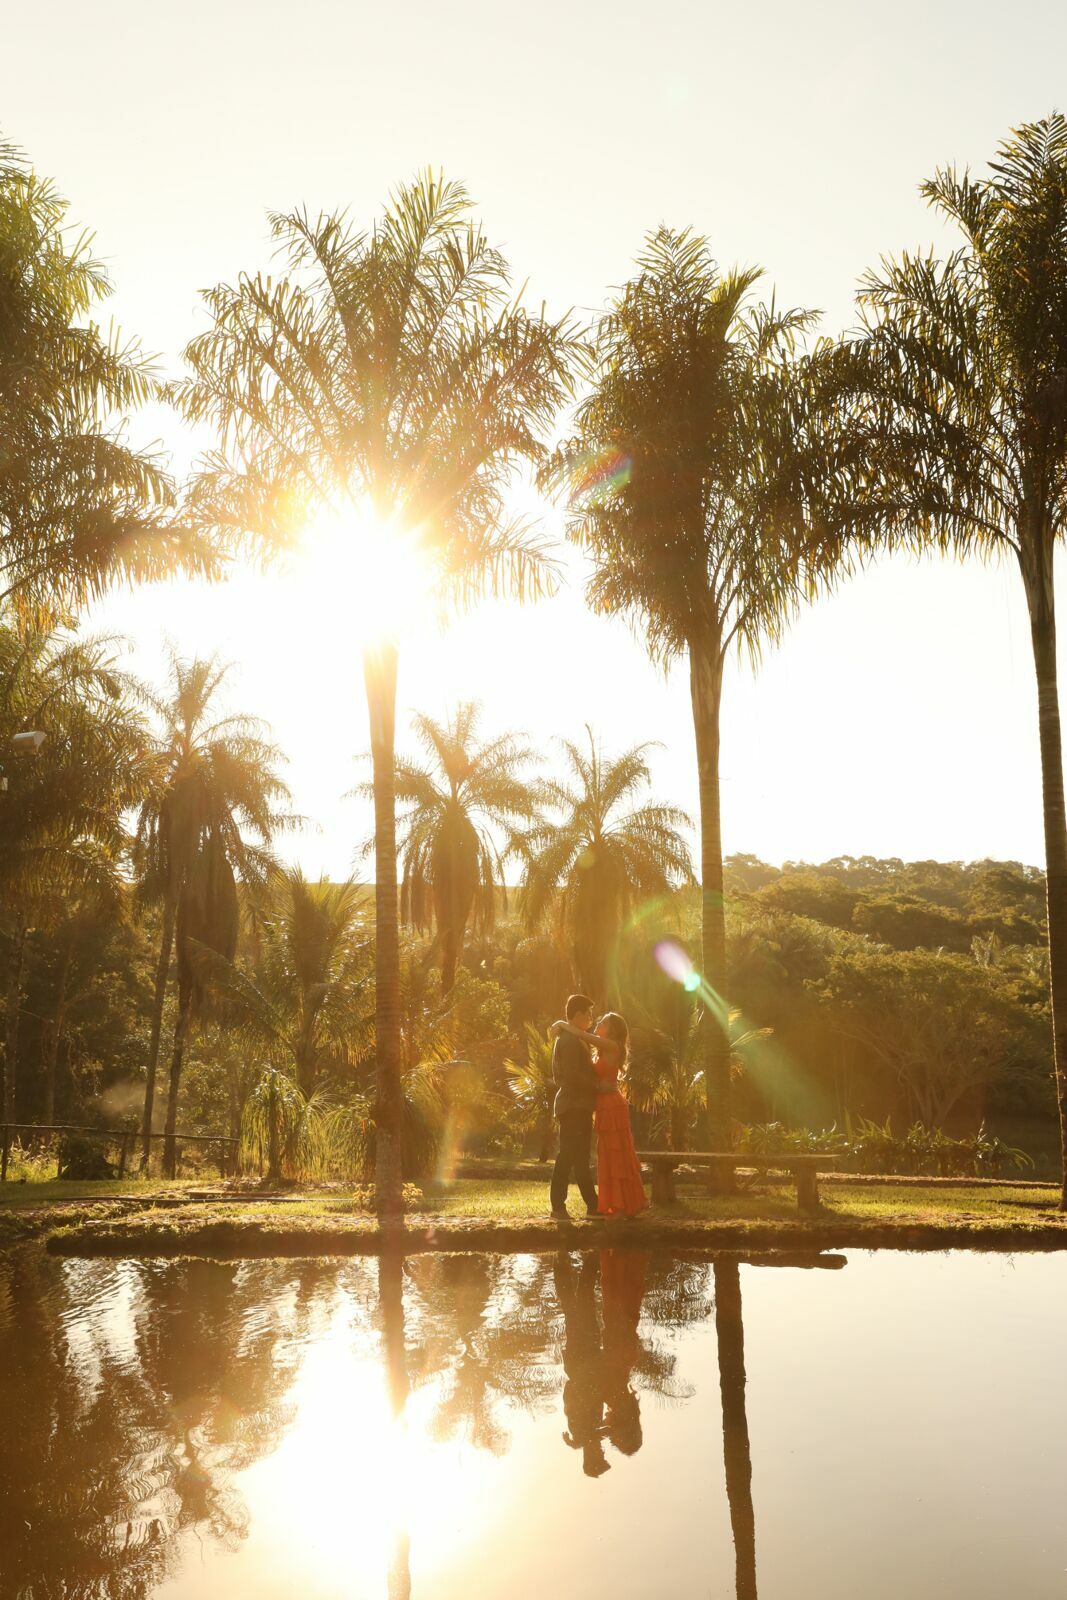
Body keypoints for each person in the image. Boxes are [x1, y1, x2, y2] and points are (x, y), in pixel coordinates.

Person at [551, 1011, 648, 1218]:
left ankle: (623, 1205)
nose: (597, 1023)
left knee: (615, 1153)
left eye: (603, 1022)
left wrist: (561, 1022)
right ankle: (615, 1203)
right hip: (603, 1104)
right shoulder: (601, 1049)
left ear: (612, 1029)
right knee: (606, 1154)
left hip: (611, 1105)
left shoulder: (612, 1045)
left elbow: (583, 1035)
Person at [549, 993, 601, 1219]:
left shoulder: (573, 1037)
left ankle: (592, 1205)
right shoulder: (569, 1041)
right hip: (573, 1105)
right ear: (578, 1015)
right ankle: (558, 1207)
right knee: (568, 1155)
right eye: (588, 1014)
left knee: (579, 1157)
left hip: (578, 1105)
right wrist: (598, 1087)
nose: (591, 1018)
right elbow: (572, 1075)